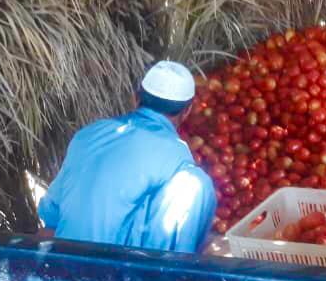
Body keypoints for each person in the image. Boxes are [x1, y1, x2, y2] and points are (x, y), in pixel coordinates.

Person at [39, 61, 217, 254]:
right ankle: (167, 272)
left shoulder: (88, 134)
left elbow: (51, 215)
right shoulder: (178, 156)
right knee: (197, 184)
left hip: (65, 259)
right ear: (187, 111)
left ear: (135, 98)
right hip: (116, 272)